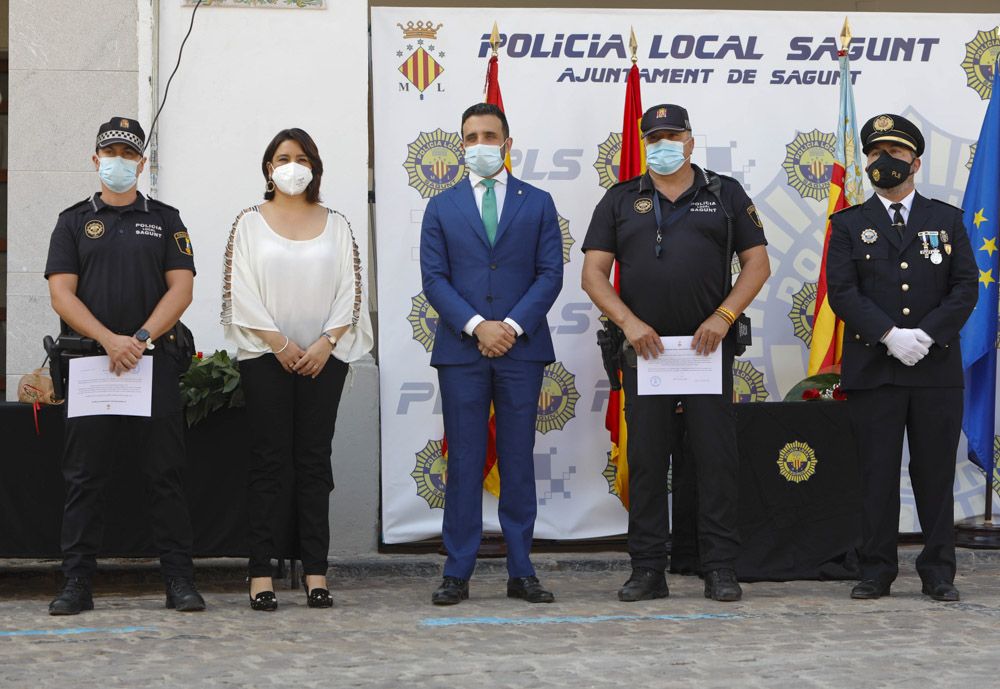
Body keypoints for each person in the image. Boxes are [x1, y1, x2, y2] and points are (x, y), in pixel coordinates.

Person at [581, 104, 770, 602]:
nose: (663, 143)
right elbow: (593, 274)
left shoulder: (724, 193)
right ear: (644, 143)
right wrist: (630, 324)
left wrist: (723, 317)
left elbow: (756, 265)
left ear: (690, 140)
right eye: (654, 136)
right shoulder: (621, 199)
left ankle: (720, 567)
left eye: (673, 134)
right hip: (646, 352)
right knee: (646, 461)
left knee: (715, 460)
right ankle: (647, 569)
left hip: (708, 350)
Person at [44, 117, 204, 615]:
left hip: (150, 365)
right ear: (96, 161)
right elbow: (60, 293)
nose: (118, 161)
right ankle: (76, 584)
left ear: (142, 162)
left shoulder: (166, 219)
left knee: (165, 476)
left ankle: (179, 581)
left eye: (127, 154)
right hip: (92, 366)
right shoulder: (72, 221)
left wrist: (137, 339)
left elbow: (182, 288)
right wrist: (109, 340)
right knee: (84, 478)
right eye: (109, 153)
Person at [826, 113, 977, 602]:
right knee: (876, 473)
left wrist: (926, 335)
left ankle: (938, 571)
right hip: (875, 367)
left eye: (893, 153)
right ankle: (875, 569)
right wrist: (890, 335)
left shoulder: (946, 219)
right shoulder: (849, 223)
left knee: (934, 472)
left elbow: (964, 287)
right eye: (874, 154)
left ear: (914, 160)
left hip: (935, 369)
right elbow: (842, 292)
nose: (883, 162)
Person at [222, 128, 373, 611]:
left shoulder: (338, 224)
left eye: (302, 157)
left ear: (315, 168)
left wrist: (325, 343)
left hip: (323, 359)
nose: (292, 165)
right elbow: (238, 290)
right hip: (265, 356)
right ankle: (260, 573)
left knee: (314, 464)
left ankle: (316, 571)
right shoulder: (248, 222)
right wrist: (280, 343)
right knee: (268, 463)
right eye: (283, 157)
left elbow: (351, 291)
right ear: (269, 168)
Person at [420, 103, 563, 605]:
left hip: (521, 351)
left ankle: (522, 570)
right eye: (470, 136)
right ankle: (457, 571)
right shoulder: (441, 206)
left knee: (518, 460)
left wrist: (511, 327)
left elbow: (550, 274)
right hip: (463, 352)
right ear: (461, 143)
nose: (479, 144)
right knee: (463, 460)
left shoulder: (539, 202)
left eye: (489, 135)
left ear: (507, 141)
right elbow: (434, 280)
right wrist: (481, 327)